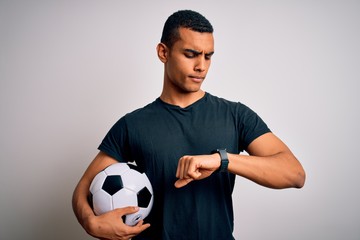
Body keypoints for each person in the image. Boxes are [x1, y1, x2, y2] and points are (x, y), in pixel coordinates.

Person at [72, 9, 306, 240]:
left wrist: (221, 160)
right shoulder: (132, 124)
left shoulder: (235, 115)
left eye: (208, 56)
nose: (201, 66)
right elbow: (84, 187)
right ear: (163, 52)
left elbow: (294, 174)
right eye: (191, 54)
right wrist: (90, 222)